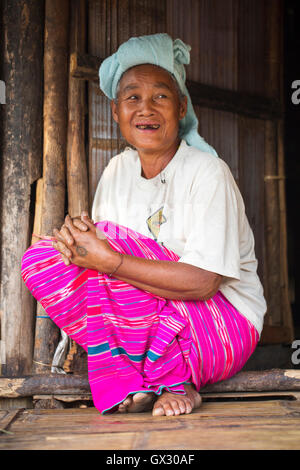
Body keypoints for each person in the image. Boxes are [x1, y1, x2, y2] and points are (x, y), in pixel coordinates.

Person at [21, 33, 267, 417]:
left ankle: (173, 379)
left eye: (161, 96)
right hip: (154, 325)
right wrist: (82, 248)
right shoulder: (117, 170)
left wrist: (109, 260)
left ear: (181, 106)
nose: (146, 108)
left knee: (110, 245)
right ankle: (139, 380)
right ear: (116, 111)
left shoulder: (208, 172)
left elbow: (203, 283)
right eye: (132, 97)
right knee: (43, 258)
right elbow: (102, 272)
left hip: (220, 327)